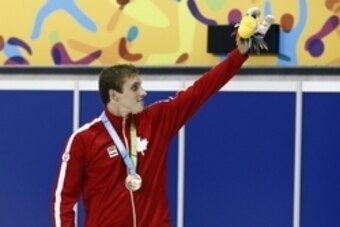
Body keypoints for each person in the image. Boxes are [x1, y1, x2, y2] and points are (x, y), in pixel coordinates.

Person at [52, 7, 271, 227]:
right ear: (114, 95)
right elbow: (64, 200)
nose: (143, 93)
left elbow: (200, 90)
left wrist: (239, 55)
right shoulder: (84, 140)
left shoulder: (157, 120)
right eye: (135, 87)